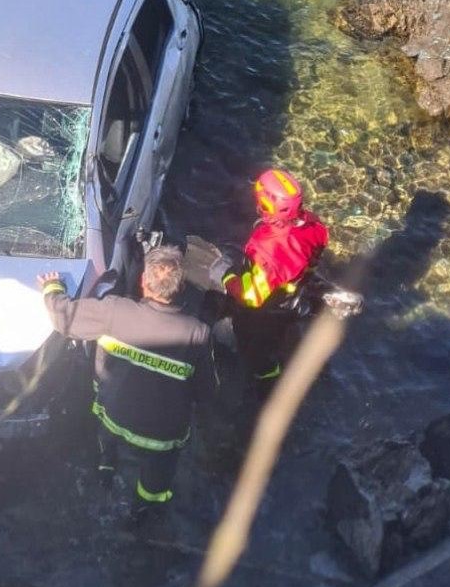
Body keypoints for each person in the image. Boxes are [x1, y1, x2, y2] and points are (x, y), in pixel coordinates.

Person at [38, 246, 210, 516]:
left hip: (114, 414)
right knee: (157, 473)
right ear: (180, 287)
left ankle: (105, 467)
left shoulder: (115, 311)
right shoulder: (197, 333)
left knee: (107, 437)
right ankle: (146, 508)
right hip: (161, 435)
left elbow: (64, 318)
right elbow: (207, 391)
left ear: (143, 281)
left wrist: (52, 288)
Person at [214, 168, 329, 390]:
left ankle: (265, 381)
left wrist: (226, 277)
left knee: (257, 346)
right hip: (294, 289)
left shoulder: (266, 250)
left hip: (269, 306)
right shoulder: (315, 225)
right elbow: (314, 255)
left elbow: (252, 297)